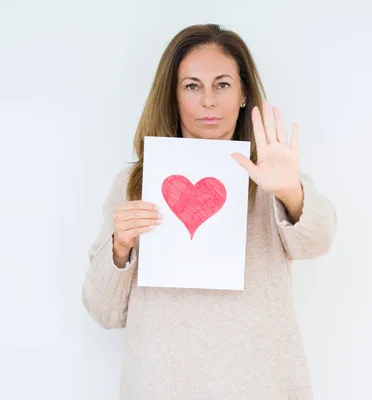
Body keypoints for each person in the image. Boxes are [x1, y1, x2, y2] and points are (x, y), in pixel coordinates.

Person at [81, 23, 337, 399]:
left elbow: (318, 242)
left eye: (222, 84)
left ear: (243, 92)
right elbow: (104, 312)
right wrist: (120, 249)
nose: (208, 101)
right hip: (161, 386)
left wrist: (290, 190)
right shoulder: (133, 184)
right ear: (173, 95)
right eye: (192, 86)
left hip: (262, 384)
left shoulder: (271, 177)